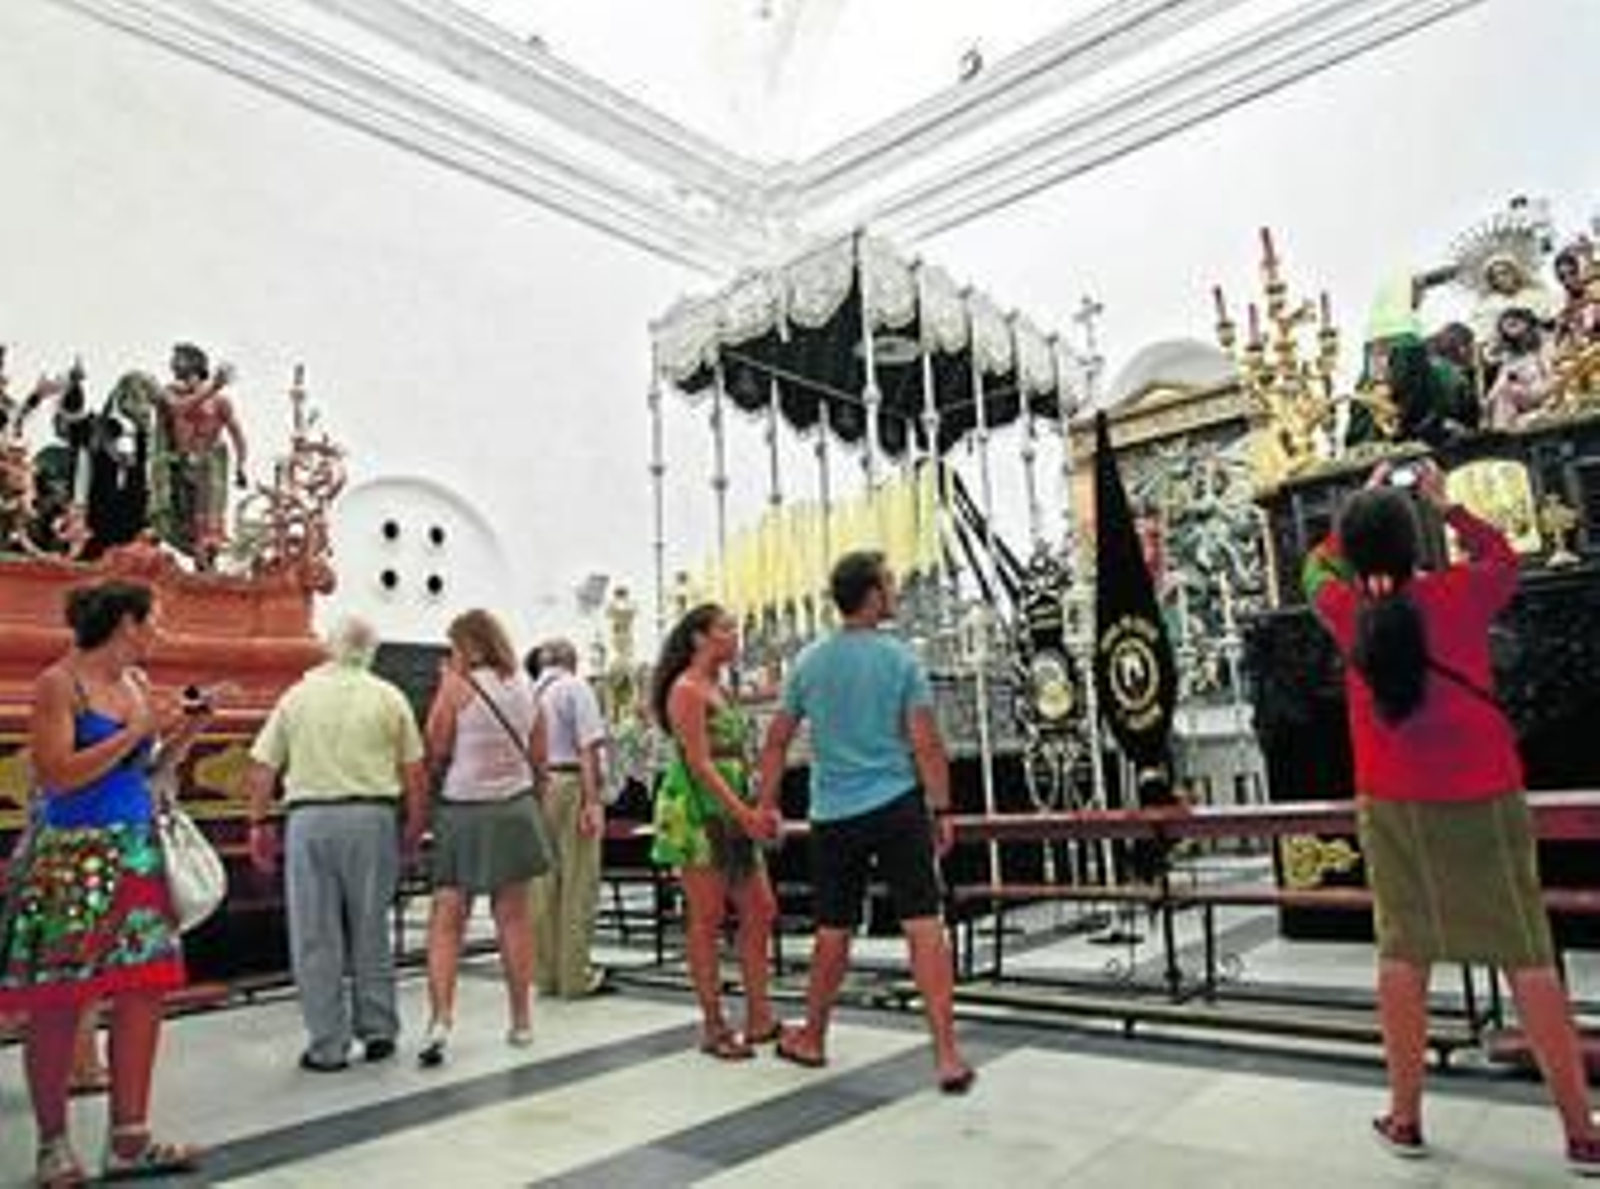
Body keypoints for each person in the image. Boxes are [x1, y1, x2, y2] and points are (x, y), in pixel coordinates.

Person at [1303, 461, 1600, 1174]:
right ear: (1418, 543)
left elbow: (1315, 568)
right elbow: (1504, 556)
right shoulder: (1461, 593)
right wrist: (1447, 506)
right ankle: (1581, 1130)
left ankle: (1405, 1115)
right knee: (1527, 954)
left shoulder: (1346, 611)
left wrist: (1362, 508)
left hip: (1394, 802)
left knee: (1403, 952)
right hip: (1483, 795)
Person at [0, 580, 201, 1185]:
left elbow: (149, 773)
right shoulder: (59, 685)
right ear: (124, 624)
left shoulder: (136, 686)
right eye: (152, 622)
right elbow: (59, 774)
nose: (157, 633)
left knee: (143, 993)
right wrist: (133, 735)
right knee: (60, 1000)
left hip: (135, 850)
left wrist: (184, 733)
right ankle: (53, 1144)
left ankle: (130, 1137)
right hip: (72, 860)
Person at [757, 550, 973, 1093]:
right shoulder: (900, 660)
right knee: (924, 925)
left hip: (833, 814)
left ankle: (813, 1037)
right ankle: (946, 1053)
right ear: (873, 596)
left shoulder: (808, 662)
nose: (896, 593)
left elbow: (778, 739)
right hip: (897, 805)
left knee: (834, 929)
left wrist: (766, 803)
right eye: (891, 585)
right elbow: (925, 743)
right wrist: (942, 808)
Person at [243, 616, 427, 1072]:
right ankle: (379, 1030)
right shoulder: (389, 697)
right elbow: (415, 771)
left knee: (315, 933)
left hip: (310, 820)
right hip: (372, 818)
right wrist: (415, 826)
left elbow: (263, 767)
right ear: (371, 651)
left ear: (330, 647)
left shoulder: (297, 696)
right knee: (371, 927)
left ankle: (327, 1044)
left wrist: (258, 822)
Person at [417, 610, 550, 1067]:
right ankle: (521, 1021)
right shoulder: (526, 686)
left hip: (463, 809)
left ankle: (441, 1019)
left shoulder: (457, 686)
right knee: (513, 918)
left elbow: (435, 745)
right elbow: (540, 756)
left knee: (448, 917)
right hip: (514, 809)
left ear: (468, 646)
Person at [650, 604, 779, 1059]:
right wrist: (743, 814)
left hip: (733, 804)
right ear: (699, 638)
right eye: (726, 628)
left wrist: (757, 801)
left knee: (760, 908)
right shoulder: (686, 689)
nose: (735, 634)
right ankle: (713, 1023)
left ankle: (760, 1014)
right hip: (698, 810)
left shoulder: (721, 688)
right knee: (706, 918)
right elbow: (700, 764)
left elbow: (736, 752)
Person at [529, 639, 608, 999]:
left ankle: (545, 975)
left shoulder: (529, 692)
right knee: (579, 880)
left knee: (543, 885)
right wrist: (592, 801)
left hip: (536, 788)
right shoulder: (575, 687)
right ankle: (575, 975)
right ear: (571, 661)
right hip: (570, 782)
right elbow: (588, 746)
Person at [153, 343, 248, 567]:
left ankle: (207, 554)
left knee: (206, 516)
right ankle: (198, 552)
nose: (174, 364)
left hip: (210, 463)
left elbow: (237, 434)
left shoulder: (220, 402)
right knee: (182, 515)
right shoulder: (171, 393)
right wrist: (213, 387)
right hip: (181, 464)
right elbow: (179, 409)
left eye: (180, 359)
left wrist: (241, 465)